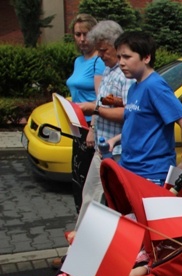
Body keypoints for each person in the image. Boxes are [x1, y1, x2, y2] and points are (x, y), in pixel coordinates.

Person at [115, 31, 182, 185]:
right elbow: (140, 127)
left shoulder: (155, 85)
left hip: (151, 173)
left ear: (146, 57)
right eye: (119, 57)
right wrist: (115, 140)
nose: (121, 63)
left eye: (127, 57)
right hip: (129, 169)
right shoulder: (134, 87)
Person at [74, 20, 134, 226]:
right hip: (104, 147)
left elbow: (129, 113)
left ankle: (86, 247)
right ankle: (80, 244)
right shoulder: (109, 70)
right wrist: (93, 125)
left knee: (100, 202)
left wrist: (96, 110)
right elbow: (104, 101)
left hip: (117, 152)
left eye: (103, 50)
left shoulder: (126, 75)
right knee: (90, 196)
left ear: (116, 45)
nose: (100, 55)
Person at [67, 14, 105, 213]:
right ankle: (81, 222)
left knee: (87, 182)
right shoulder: (78, 61)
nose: (82, 39)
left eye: (86, 34)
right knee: (77, 178)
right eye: (77, 34)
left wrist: (93, 129)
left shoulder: (98, 62)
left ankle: (88, 222)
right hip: (77, 126)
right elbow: (79, 92)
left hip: (90, 127)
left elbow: (101, 98)